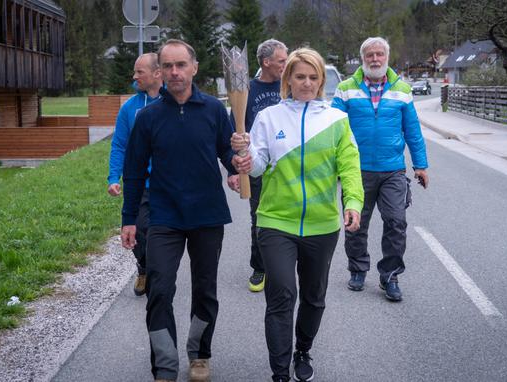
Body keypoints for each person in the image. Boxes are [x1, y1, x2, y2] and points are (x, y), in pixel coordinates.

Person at [232, 48, 364, 382]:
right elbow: (258, 163)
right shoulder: (269, 117)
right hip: (276, 220)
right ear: (288, 79)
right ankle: (279, 372)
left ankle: (302, 349)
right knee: (281, 295)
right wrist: (246, 162)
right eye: (300, 76)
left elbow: (349, 167)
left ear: (321, 81)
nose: (306, 83)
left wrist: (353, 203)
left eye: (313, 77)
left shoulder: (336, 120)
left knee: (313, 298)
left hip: (321, 224)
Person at [121, 39, 242, 382]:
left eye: (181, 65)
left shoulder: (214, 111)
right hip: (164, 216)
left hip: (207, 215)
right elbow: (133, 170)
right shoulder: (148, 117)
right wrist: (129, 219)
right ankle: (164, 365)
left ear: (194, 67)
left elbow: (225, 151)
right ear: (160, 71)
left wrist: (235, 166)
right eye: (168, 66)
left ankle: (200, 354)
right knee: (159, 289)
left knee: (205, 289)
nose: (175, 72)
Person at [332, 36, 429, 302]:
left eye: (379, 55)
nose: (375, 59)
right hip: (356, 171)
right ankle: (358, 269)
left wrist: (420, 165)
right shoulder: (345, 89)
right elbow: (331, 129)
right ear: (363, 59)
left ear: (387, 58)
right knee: (355, 225)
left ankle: (390, 275)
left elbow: (413, 130)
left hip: (393, 170)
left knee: (396, 222)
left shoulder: (403, 90)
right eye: (370, 55)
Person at [226, 39, 288, 292]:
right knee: (259, 219)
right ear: (266, 62)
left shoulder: (290, 85)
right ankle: (259, 268)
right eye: (282, 60)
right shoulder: (247, 90)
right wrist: (233, 169)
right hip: (256, 165)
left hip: (287, 166)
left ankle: (284, 266)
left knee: (288, 219)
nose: (286, 64)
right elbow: (234, 129)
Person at [108, 53, 162, 296]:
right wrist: (113, 177)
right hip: (138, 182)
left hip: (166, 183)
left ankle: (158, 274)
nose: (134, 76)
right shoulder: (130, 108)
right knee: (137, 230)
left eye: (139, 71)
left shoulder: (171, 103)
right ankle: (143, 267)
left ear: (156, 73)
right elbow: (119, 144)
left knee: (160, 234)